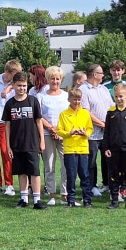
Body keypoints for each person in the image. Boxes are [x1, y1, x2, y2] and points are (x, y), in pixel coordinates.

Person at [3, 72, 45, 209]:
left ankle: (37, 200)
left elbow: (39, 122)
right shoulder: (10, 103)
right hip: (17, 144)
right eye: (19, 85)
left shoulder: (33, 101)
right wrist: (8, 146)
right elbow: (7, 126)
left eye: (24, 86)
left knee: (34, 171)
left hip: (32, 142)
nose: (22, 88)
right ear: (14, 86)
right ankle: (24, 199)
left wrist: (42, 140)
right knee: (21, 172)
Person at [0, 60, 22, 196]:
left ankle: (9, 184)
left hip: (5, 123)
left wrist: (10, 87)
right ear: (8, 72)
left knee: (6, 153)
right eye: (15, 74)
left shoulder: (15, 86)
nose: (17, 76)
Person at [103, 82, 126, 209]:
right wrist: (106, 147)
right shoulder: (110, 112)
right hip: (113, 150)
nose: (118, 99)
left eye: (121, 96)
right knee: (113, 176)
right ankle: (114, 201)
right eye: (116, 96)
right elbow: (106, 131)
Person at [36, 65, 69, 205]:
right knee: (49, 165)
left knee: (66, 164)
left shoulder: (66, 96)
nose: (55, 81)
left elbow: (69, 115)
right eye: (52, 79)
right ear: (47, 79)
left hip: (64, 134)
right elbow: (38, 116)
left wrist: (59, 130)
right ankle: (52, 195)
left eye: (58, 79)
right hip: (46, 133)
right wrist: (50, 128)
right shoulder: (40, 96)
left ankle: (65, 194)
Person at [80, 64, 112, 197]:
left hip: (106, 132)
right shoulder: (84, 90)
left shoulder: (103, 89)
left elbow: (111, 106)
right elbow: (86, 113)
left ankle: (108, 184)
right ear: (94, 75)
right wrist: (102, 123)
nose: (103, 75)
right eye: (101, 73)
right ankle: (91, 186)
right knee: (91, 161)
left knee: (108, 159)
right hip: (92, 133)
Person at [58, 87, 93, 207]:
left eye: (79, 99)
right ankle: (71, 200)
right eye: (74, 99)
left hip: (83, 148)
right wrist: (69, 133)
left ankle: (87, 199)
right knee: (71, 175)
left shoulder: (85, 113)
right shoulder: (64, 114)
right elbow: (59, 130)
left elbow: (90, 128)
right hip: (69, 149)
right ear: (69, 99)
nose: (77, 102)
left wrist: (85, 133)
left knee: (85, 175)